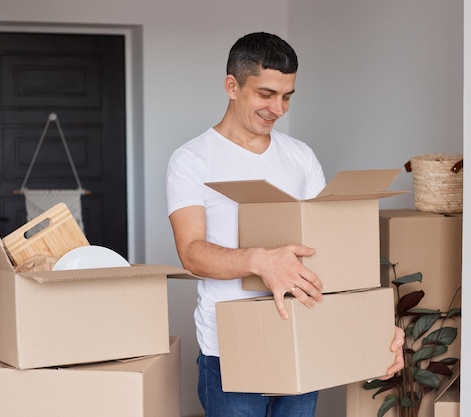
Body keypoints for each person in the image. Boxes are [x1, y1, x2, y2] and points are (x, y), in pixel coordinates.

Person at [166, 32, 404, 417]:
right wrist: (261, 261)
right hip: (231, 347)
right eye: (266, 94)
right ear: (232, 86)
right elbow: (191, 253)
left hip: (299, 335)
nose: (278, 108)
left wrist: (378, 328)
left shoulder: (300, 157)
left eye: (287, 96)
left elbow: (329, 251)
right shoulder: (192, 160)